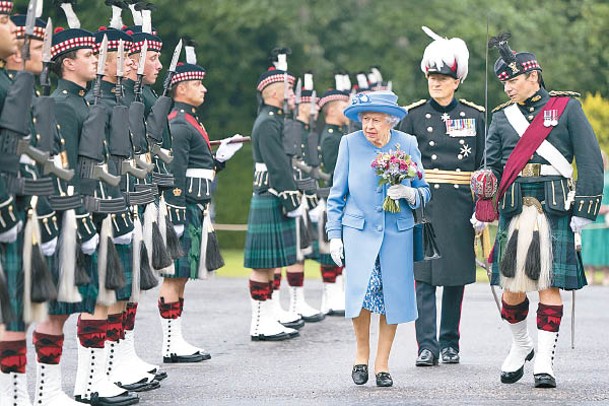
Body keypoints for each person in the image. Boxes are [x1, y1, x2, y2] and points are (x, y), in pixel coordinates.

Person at [481, 33, 603, 388]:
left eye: (513, 80)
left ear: (533, 77)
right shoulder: (502, 118)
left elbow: (591, 161)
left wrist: (585, 208)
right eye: (503, 82)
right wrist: (483, 205)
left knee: (549, 285)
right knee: (510, 289)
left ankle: (545, 364)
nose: (507, 88)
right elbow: (491, 168)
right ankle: (520, 346)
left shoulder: (567, 109)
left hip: (554, 206)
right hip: (514, 205)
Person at [326, 91, 430, 387]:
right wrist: (335, 235)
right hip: (358, 233)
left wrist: (411, 194)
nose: (369, 125)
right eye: (365, 119)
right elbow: (336, 196)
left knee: (392, 298)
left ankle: (382, 364)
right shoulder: (349, 144)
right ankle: (361, 355)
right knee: (361, 296)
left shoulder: (406, 143)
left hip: (397, 234)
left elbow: (425, 190)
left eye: (376, 120)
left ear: (390, 121)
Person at [399, 27, 485, 366]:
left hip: (460, 206)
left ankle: (450, 342)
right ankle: (426, 345)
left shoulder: (475, 116)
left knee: (453, 278)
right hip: (423, 205)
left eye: (443, 77)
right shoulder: (413, 116)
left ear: (456, 81)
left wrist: (484, 208)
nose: (436, 82)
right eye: (432, 76)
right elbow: (401, 164)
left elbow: (484, 167)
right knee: (423, 277)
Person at [162, 45, 242, 362]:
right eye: (198, 84)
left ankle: (175, 339)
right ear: (182, 88)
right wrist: (177, 210)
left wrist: (219, 160)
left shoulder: (191, 121)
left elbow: (199, 166)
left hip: (197, 204)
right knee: (174, 276)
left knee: (181, 277)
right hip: (185, 206)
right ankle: (170, 343)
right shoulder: (179, 123)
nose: (204, 89)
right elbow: (175, 172)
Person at [244, 54, 304, 341]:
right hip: (271, 193)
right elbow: (277, 163)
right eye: (288, 88)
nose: (291, 94)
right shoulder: (267, 122)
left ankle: (267, 317)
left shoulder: (274, 120)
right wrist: (291, 195)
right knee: (263, 265)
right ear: (273, 92)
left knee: (271, 264)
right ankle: (259, 322)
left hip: (273, 194)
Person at [581, 151, 609, 286]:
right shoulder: (589, 177)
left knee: (604, 246)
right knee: (589, 245)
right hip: (591, 216)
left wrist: (607, 208)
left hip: (605, 218)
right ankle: (590, 274)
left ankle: (606, 274)